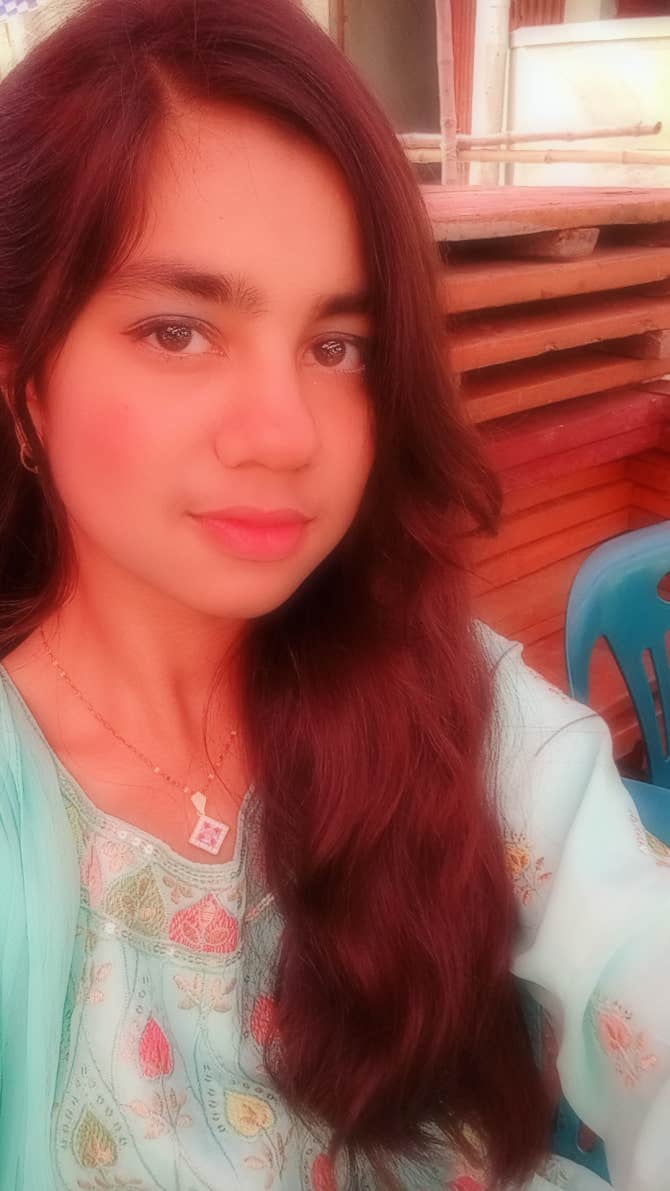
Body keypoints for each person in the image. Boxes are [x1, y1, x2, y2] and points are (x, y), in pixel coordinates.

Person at [0, 1, 667, 1188]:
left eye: (337, 345)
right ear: (23, 385)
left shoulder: (446, 699)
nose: (286, 433)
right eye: (178, 331)